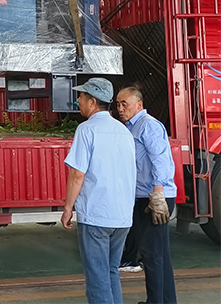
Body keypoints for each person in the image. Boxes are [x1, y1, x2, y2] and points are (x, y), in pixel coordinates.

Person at [60, 77, 137, 304]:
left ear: (93, 101)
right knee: (111, 271)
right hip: (122, 216)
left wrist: (68, 208)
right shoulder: (124, 131)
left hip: (97, 215)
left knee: (97, 277)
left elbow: (77, 174)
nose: (78, 100)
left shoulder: (86, 130)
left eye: (81, 96)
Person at [116, 86, 177, 304]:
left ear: (139, 105)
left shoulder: (148, 125)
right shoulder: (130, 127)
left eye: (125, 104)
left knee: (152, 255)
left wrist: (158, 194)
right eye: (118, 104)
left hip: (154, 198)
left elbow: (160, 159)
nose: (120, 108)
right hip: (143, 196)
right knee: (158, 255)